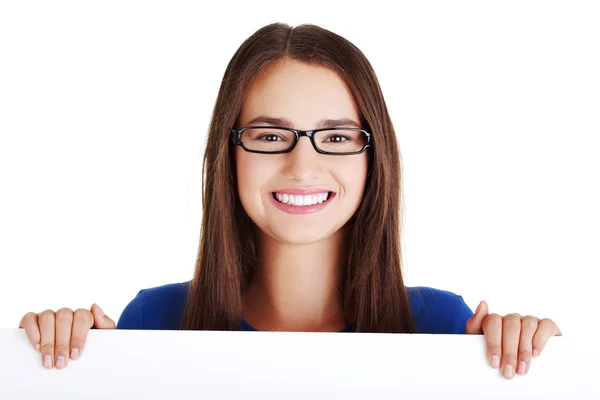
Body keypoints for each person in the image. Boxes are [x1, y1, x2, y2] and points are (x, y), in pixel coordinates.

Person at [18, 22, 561, 380]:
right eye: (271, 135)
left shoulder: (443, 326)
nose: (303, 165)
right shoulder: (156, 321)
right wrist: (56, 365)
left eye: (338, 136)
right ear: (227, 154)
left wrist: (540, 360)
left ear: (374, 158)